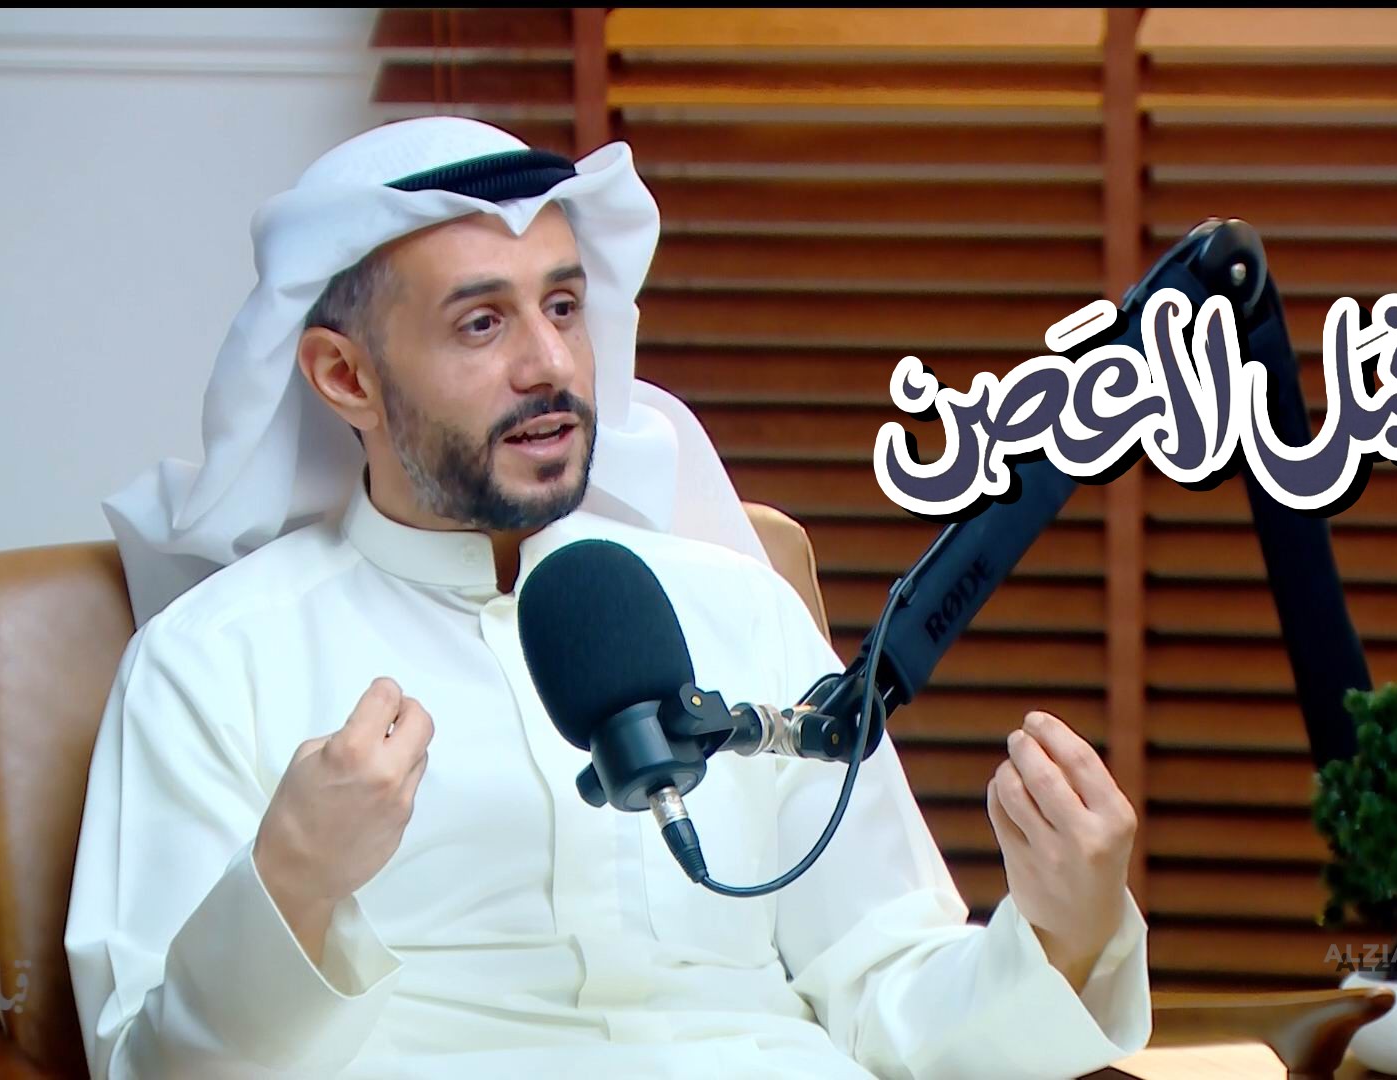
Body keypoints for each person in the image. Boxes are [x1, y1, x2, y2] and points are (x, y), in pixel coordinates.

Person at [67, 116, 1150, 1080]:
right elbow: (153, 1066)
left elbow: (882, 987)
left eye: (564, 306)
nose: (551, 363)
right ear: (346, 377)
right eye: (481, 324)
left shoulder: (741, 609)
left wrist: (1064, 932)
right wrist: (292, 880)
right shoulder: (213, 661)